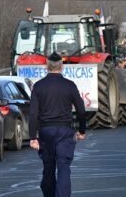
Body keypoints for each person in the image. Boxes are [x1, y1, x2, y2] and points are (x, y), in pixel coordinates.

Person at [29, 51, 87, 197]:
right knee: (63, 168)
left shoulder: (38, 86)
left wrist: (32, 137)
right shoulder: (69, 85)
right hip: (65, 131)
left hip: (46, 132)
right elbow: (81, 110)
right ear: (62, 67)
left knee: (48, 168)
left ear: (47, 67)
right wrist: (82, 130)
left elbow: (33, 113)